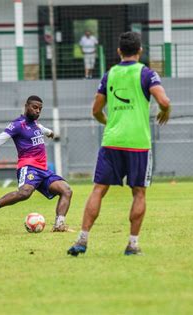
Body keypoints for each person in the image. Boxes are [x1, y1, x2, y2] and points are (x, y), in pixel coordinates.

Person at [67, 31, 171, 256]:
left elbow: (95, 110)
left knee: (98, 190)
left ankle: (82, 240)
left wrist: (109, 122)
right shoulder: (146, 74)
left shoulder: (109, 74)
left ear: (119, 52)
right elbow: (164, 100)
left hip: (112, 141)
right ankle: (132, 245)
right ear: (140, 51)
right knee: (139, 193)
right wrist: (166, 110)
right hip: (137, 143)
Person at [0, 95, 73, 232]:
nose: (37, 111)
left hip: (43, 170)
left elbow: (43, 129)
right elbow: (1, 138)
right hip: (29, 167)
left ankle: (59, 225)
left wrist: (50, 133)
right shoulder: (18, 124)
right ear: (26, 106)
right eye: (35, 107)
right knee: (24, 193)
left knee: (66, 190)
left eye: (40, 109)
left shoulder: (36, 124)